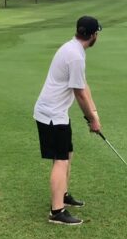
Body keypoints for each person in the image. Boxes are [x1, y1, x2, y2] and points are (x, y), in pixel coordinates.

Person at [33, 16, 102, 225]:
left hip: (56, 113)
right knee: (60, 160)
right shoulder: (76, 56)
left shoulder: (71, 48)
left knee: (67, 154)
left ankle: (62, 194)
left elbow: (83, 85)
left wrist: (94, 113)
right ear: (93, 35)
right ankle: (57, 211)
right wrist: (92, 119)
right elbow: (79, 93)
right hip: (52, 115)